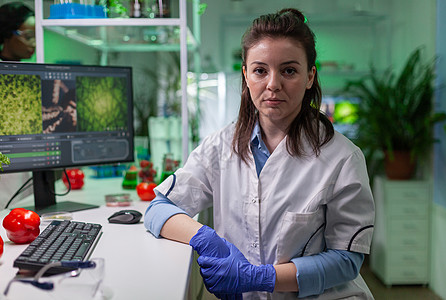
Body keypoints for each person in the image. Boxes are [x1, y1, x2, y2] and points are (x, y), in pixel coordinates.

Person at [144, 8, 375, 299]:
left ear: (309, 76)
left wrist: (261, 277)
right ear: (246, 75)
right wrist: (205, 238)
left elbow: (346, 261)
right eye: (260, 70)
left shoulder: (342, 158)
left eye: (289, 70)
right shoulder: (220, 146)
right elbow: (158, 209)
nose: (273, 84)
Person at [0, 2, 35, 208]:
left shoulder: (30, 72)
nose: (34, 45)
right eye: (28, 36)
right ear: (6, 34)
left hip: (25, 158)